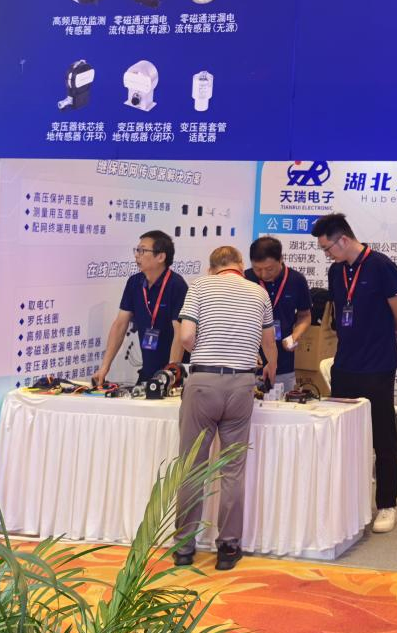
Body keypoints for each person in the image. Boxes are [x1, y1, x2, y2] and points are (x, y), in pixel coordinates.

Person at [169, 245, 275, 571]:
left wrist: (202, 347)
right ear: (240, 265)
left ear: (212, 267)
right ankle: (228, 547)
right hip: (242, 384)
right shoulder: (259, 293)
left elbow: (186, 336)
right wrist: (268, 365)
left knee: (193, 467)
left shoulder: (200, 286)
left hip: (203, 381)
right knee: (232, 469)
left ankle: (184, 547)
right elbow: (268, 342)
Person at [310, 213, 397, 534]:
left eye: (327, 248)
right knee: (345, 434)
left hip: (378, 364)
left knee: (383, 436)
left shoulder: (381, 266)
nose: (327, 254)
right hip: (345, 364)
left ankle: (387, 504)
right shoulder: (336, 271)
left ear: (343, 240)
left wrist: (386, 334)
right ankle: (349, 500)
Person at [92, 230, 187, 385]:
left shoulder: (177, 285)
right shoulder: (134, 282)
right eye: (137, 250)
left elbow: (180, 332)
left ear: (161, 257)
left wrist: (171, 373)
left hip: (173, 373)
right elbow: (120, 324)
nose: (137, 255)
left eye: (142, 251)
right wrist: (104, 367)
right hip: (148, 370)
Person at [245, 236, 313, 392]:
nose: (263, 274)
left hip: (284, 363)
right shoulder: (245, 279)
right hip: (250, 362)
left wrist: (295, 335)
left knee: (282, 403)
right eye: (257, 269)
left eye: (269, 269)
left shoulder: (296, 280)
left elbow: (305, 315)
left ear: (281, 259)